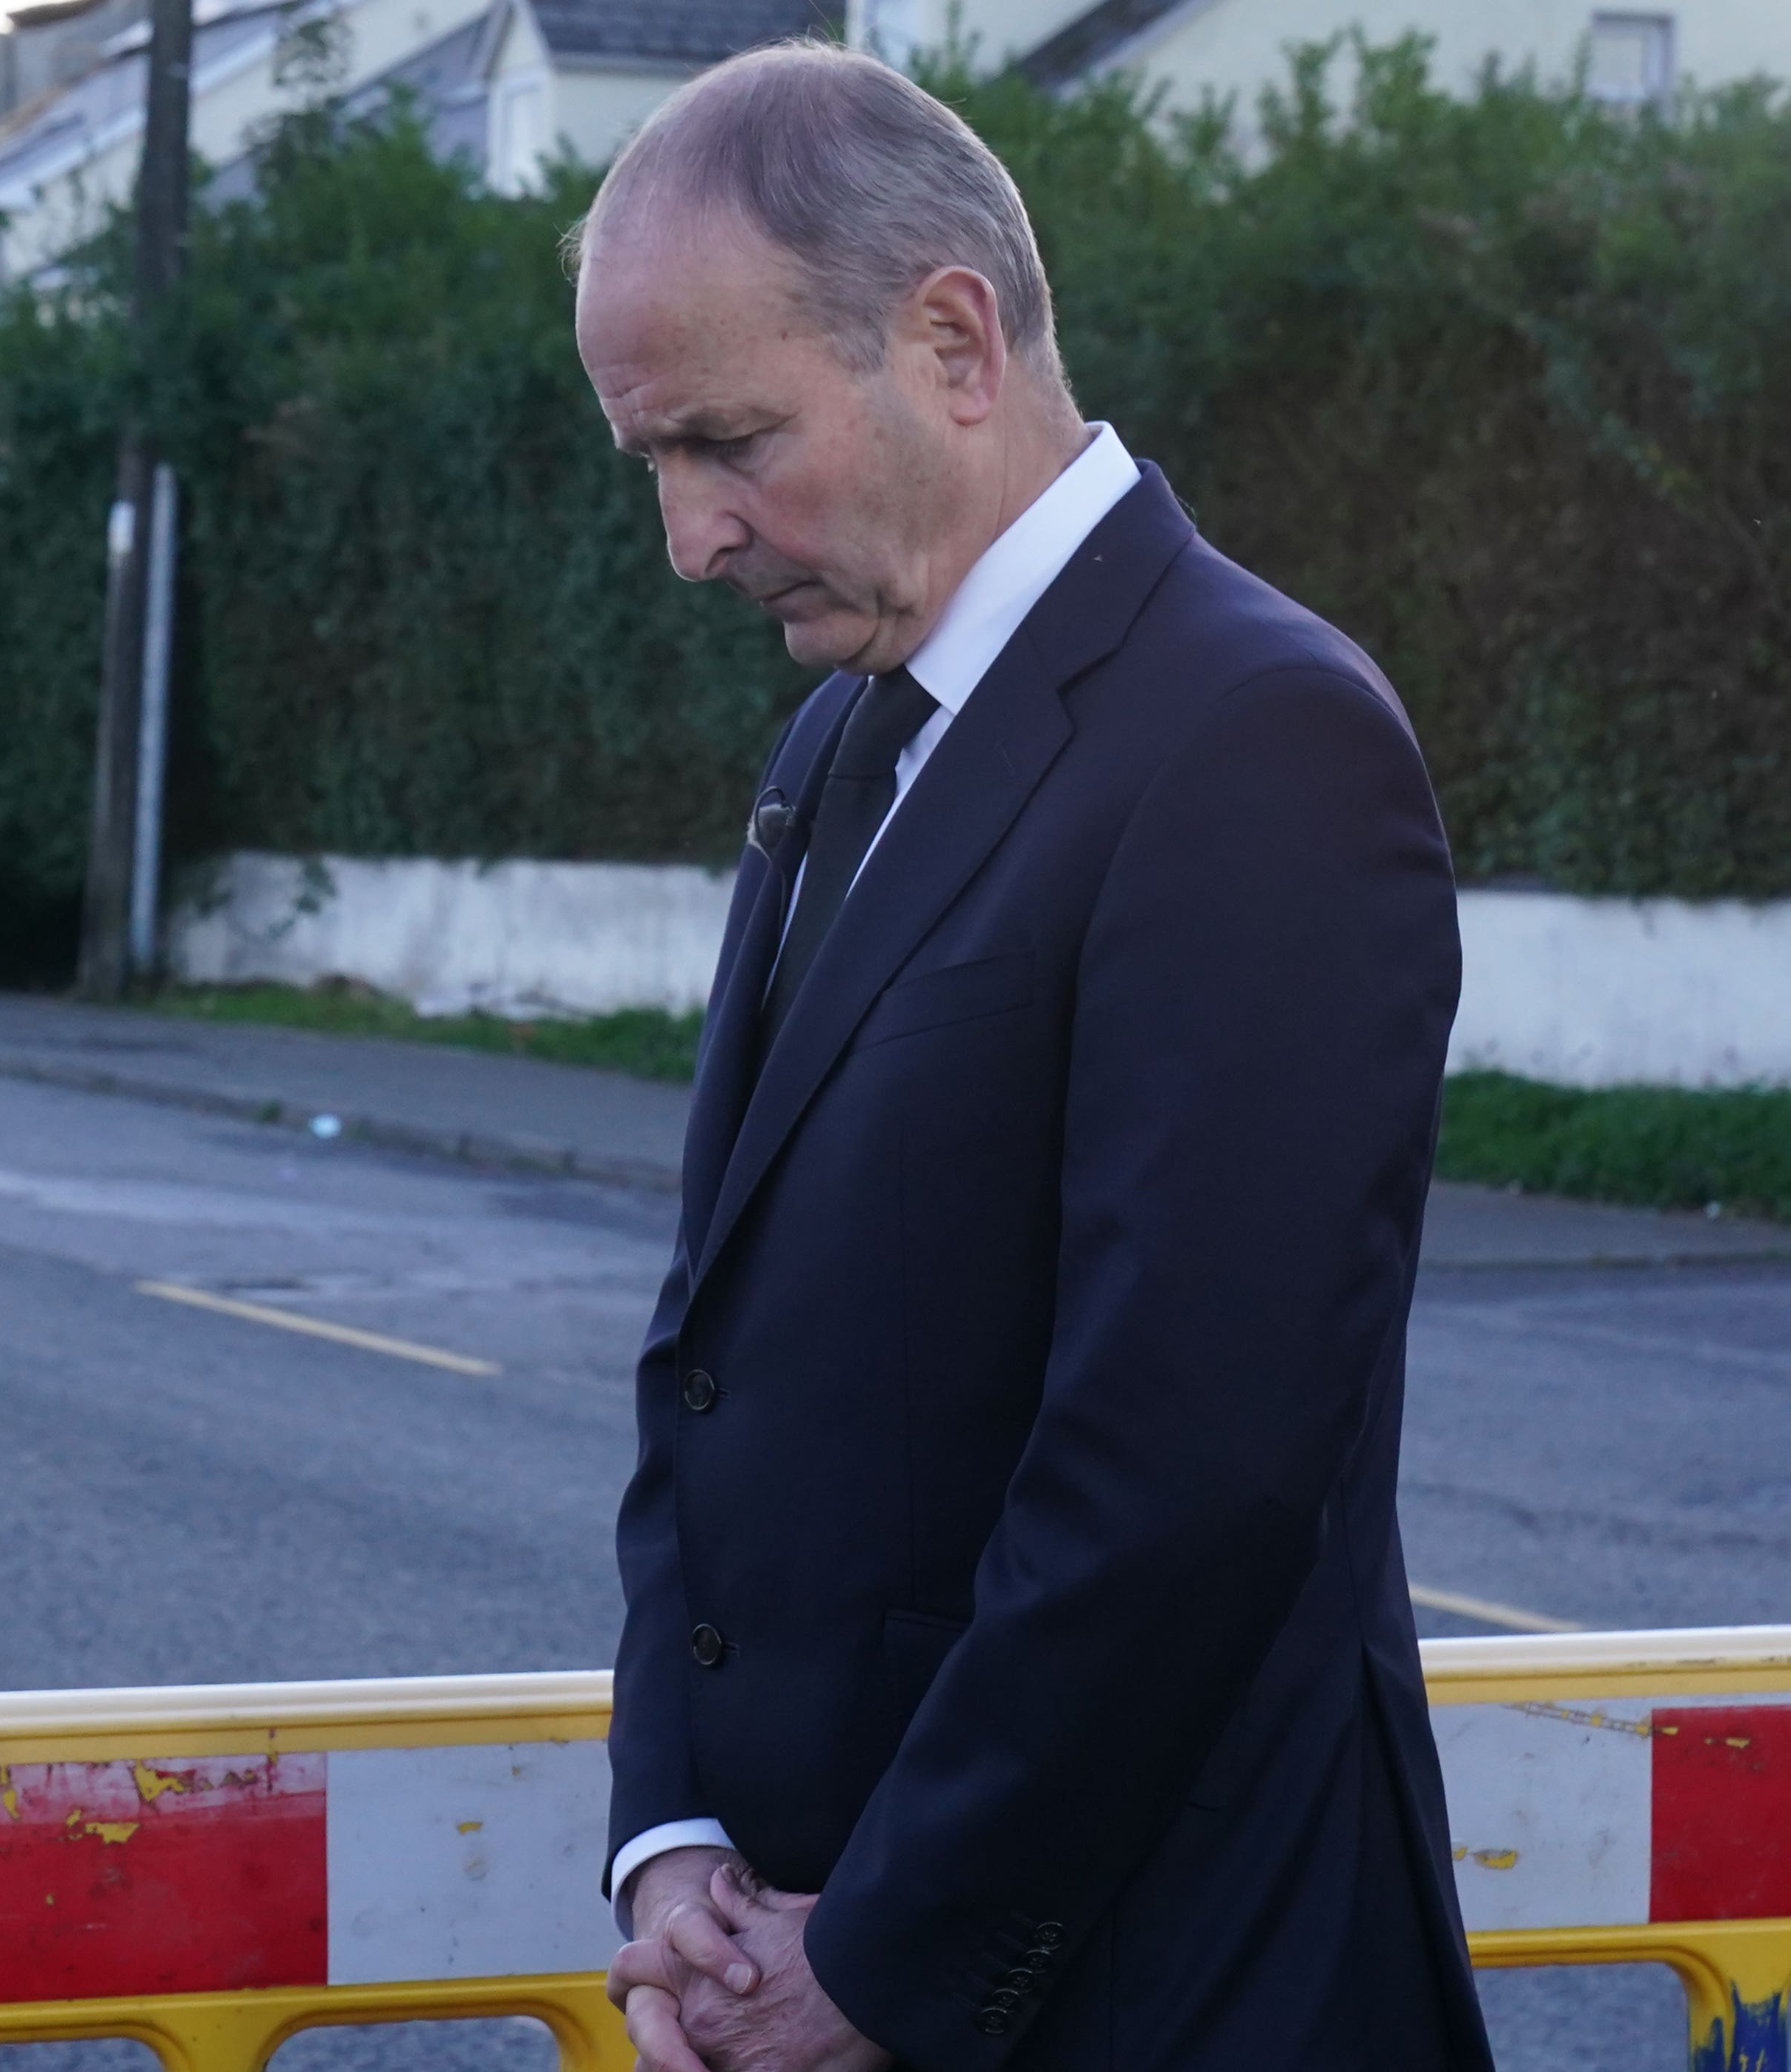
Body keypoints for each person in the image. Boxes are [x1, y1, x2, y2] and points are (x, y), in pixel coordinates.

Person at [575, 45, 1485, 2072]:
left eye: (725, 441)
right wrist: (677, 1828)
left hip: (1163, 1996)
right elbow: (710, 1352)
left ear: (953, 340)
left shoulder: (1257, 740)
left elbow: (1185, 1471)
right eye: (648, 458)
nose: (687, 537)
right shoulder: (840, 735)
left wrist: (887, 1953)